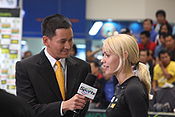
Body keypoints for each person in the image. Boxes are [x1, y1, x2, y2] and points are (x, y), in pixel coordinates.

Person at [15, 14, 91, 117]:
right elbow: (27, 110)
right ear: (46, 41)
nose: (68, 46)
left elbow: (83, 105)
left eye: (70, 40)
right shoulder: (26, 68)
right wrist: (62, 106)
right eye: (62, 41)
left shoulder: (83, 67)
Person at [101, 34, 151, 117]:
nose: (103, 60)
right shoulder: (121, 86)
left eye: (108, 55)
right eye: (103, 55)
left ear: (124, 55)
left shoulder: (133, 89)